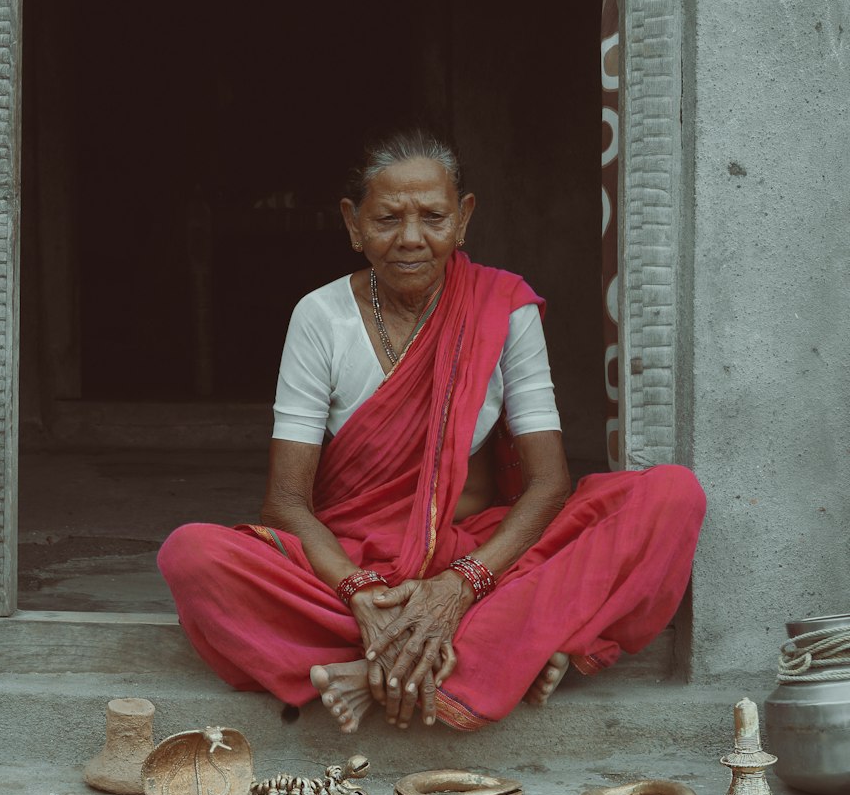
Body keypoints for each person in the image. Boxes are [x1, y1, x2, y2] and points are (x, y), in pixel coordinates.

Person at [158, 131, 706, 735]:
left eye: (434, 217)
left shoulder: (503, 307)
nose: (412, 239)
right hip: (354, 565)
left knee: (670, 495)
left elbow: (548, 487)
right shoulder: (320, 317)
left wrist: (459, 586)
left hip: (475, 556)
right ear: (353, 224)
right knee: (192, 555)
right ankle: (496, 649)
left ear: (463, 218)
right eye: (388, 219)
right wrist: (359, 593)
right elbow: (285, 503)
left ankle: (373, 672)